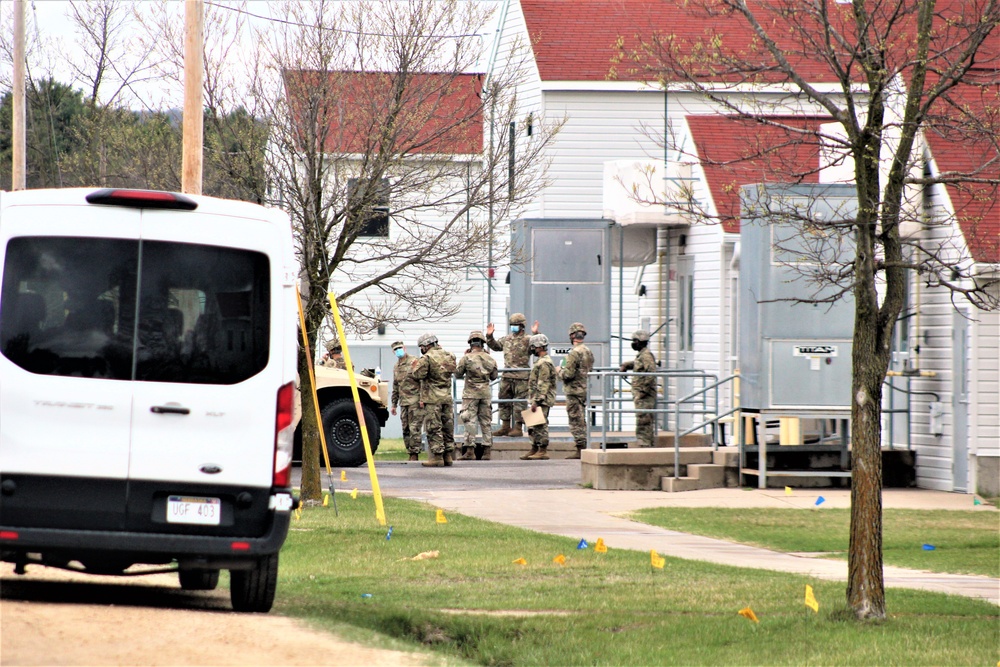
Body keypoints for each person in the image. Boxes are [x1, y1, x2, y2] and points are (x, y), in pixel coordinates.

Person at [485, 313, 538, 438]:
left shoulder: (528, 339)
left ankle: (518, 428)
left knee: (520, 403)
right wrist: (489, 335)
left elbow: (537, 347)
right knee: (503, 401)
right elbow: (495, 346)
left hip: (522, 377)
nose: (514, 327)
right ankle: (505, 426)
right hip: (507, 375)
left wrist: (536, 333)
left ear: (522, 326)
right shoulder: (507, 339)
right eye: (512, 325)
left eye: (516, 325)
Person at [410, 333, 457, 467]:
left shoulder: (427, 358)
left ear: (427, 345)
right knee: (447, 426)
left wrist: (414, 367)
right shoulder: (450, 355)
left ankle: (437, 457)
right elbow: (454, 370)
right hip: (447, 397)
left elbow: (418, 375)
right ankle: (448, 456)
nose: (421, 349)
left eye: (422, 346)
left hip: (432, 398)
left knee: (433, 427)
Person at [455, 330, 499, 460]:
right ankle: (487, 451)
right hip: (485, 394)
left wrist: (465, 358)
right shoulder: (490, 358)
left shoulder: (466, 358)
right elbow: (494, 376)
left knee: (469, 421)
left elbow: (457, 373)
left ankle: (470, 451)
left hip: (470, 394)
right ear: (483, 344)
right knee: (486, 422)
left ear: (470, 344)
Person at [559, 322, 595, 459]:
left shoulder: (574, 353)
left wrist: (559, 372)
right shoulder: (588, 351)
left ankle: (581, 448)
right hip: (584, 389)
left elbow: (568, 374)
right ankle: (583, 446)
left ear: (572, 335)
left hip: (573, 390)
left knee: (575, 419)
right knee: (581, 418)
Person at [620, 329, 658, 447]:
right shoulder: (642, 355)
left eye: (635, 341)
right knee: (642, 418)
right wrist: (626, 364)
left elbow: (651, 372)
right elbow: (638, 365)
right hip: (641, 394)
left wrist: (643, 390)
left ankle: (645, 445)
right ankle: (645, 444)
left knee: (644, 420)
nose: (633, 343)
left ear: (641, 341)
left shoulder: (646, 355)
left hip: (644, 395)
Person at [523, 333, 556, 460]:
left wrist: (537, 401)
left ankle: (542, 450)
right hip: (537, 398)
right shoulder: (541, 362)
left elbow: (543, 383)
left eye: (533, 346)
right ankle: (534, 448)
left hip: (542, 399)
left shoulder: (544, 363)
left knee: (540, 424)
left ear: (539, 347)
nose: (531, 349)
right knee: (533, 424)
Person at [390, 340, 422, 461]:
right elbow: (395, 386)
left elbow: (422, 381)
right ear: (393, 352)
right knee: (406, 428)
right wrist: (393, 404)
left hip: (415, 400)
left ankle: (415, 454)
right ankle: (410, 451)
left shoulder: (414, 361)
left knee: (415, 428)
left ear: (404, 348)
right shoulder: (396, 366)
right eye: (396, 349)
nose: (398, 351)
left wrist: (422, 399)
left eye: (400, 348)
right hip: (403, 402)